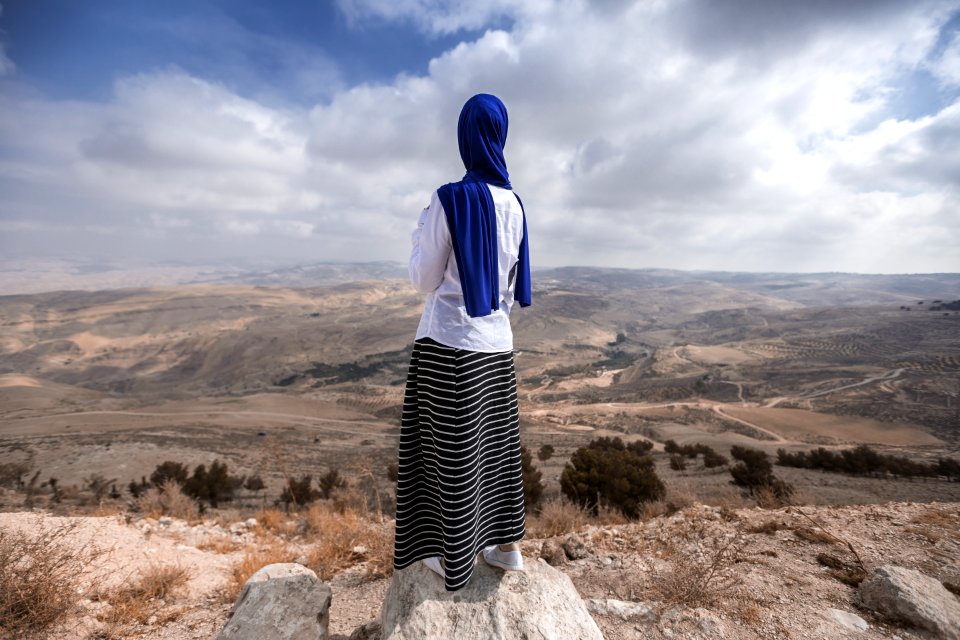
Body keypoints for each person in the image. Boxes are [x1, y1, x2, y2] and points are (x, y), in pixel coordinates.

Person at [391, 93, 532, 592]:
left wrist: (417, 234)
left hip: (448, 343)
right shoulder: (514, 203)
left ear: (465, 137)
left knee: (445, 450)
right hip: (496, 344)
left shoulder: (449, 198)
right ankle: (504, 547)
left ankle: (452, 556)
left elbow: (423, 279)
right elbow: (511, 286)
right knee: (493, 447)